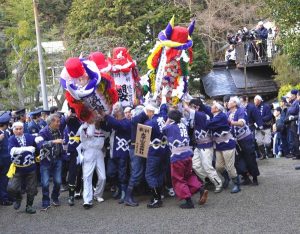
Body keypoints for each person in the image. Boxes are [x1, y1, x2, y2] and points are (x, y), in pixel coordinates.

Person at [163, 110, 208, 209]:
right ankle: (200, 188)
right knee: (188, 175)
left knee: (178, 178)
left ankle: (188, 201)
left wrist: (168, 120)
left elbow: (162, 129)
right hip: (187, 154)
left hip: (177, 156)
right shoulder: (183, 125)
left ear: (170, 118)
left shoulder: (170, 127)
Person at [184, 99, 223, 193]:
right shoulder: (196, 116)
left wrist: (181, 99)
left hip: (206, 144)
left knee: (207, 166)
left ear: (196, 107)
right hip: (198, 145)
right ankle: (208, 179)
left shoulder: (202, 115)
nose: (189, 108)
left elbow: (186, 108)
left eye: (192, 106)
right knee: (195, 164)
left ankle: (218, 183)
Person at [207, 102, 241, 193]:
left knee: (230, 166)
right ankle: (227, 178)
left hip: (227, 143)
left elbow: (210, 124)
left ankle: (237, 184)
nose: (211, 107)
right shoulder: (215, 116)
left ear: (217, 109)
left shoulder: (221, 116)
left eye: (212, 106)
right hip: (218, 145)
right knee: (219, 167)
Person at [101, 103, 131, 204]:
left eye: (115, 110)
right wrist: (99, 119)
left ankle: (123, 192)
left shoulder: (126, 122)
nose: (113, 112)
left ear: (119, 111)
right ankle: (118, 187)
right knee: (110, 173)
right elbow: (106, 128)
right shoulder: (113, 122)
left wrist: (106, 116)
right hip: (112, 152)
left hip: (122, 152)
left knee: (122, 174)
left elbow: (119, 125)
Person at [7, 122, 38, 214]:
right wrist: (27, 148)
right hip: (18, 168)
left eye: (20, 129)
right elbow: (12, 151)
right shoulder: (11, 139)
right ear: (13, 130)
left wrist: (40, 140)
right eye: (16, 129)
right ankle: (18, 197)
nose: (19, 131)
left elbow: (37, 140)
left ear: (23, 129)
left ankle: (29, 206)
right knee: (11, 188)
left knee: (31, 188)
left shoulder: (28, 136)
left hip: (30, 167)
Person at [227, 97, 260, 185]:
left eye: (230, 101)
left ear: (235, 103)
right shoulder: (228, 113)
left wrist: (230, 122)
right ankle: (245, 177)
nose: (228, 103)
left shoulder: (240, 111)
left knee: (250, 158)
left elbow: (241, 123)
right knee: (238, 160)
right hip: (235, 140)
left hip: (245, 138)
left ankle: (255, 178)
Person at [123, 105, 150, 207]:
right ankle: (127, 197)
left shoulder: (140, 122)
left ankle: (136, 193)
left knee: (140, 171)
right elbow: (140, 117)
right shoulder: (134, 120)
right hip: (135, 149)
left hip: (140, 148)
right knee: (136, 172)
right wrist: (147, 108)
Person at [144, 101, 168, 208]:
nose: (146, 114)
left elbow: (143, 138)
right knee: (159, 174)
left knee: (150, 175)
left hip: (154, 152)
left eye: (147, 112)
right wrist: (163, 100)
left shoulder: (149, 123)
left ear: (150, 111)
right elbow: (164, 109)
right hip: (164, 151)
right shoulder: (162, 118)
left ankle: (156, 198)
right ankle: (159, 195)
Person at [77, 119, 106, 209]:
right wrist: (90, 122)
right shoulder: (84, 127)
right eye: (96, 118)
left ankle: (97, 194)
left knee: (103, 177)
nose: (98, 120)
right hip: (88, 153)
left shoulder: (103, 130)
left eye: (98, 118)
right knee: (87, 177)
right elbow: (88, 134)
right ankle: (87, 200)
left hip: (99, 153)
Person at [37, 113, 64, 211]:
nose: (59, 123)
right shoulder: (42, 132)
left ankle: (55, 197)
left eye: (59, 121)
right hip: (46, 161)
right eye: (57, 121)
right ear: (51, 122)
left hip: (58, 159)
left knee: (58, 181)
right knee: (45, 183)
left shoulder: (59, 130)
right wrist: (53, 142)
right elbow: (40, 144)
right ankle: (45, 202)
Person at [63, 108, 82, 206]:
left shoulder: (82, 119)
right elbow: (64, 122)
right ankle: (71, 195)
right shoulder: (69, 120)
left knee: (81, 172)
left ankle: (78, 191)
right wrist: (68, 115)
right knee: (72, 173)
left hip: (83, 149)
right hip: (72, 150)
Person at [0, 111, 13, 206]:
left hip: (6, 160)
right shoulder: (1, 134)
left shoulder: (5, 132)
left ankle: (5, 196)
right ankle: (3, 199)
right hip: (2, 161)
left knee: (5, 180)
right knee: (3, 180)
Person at [254, 95, 273, 159]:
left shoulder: (266, 106)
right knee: (259, 141)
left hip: (266, 126)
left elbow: (269, 116)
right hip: (258, 128)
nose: (254, 101)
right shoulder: (254, 108)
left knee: (267, 142)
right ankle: (263, 154)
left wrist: (260, 119)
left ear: (259, 100)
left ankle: (269, 152)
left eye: (255, 100)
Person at [285, 90, 300, 159]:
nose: (289, 97)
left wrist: (290, 109)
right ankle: (296, 154)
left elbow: (292, 111)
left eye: (290, 95)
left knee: (295, 139)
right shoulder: (294, 102)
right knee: (294, 139)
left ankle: (297, 154)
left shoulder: (296, 102)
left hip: (295, 122)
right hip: (293, 122)